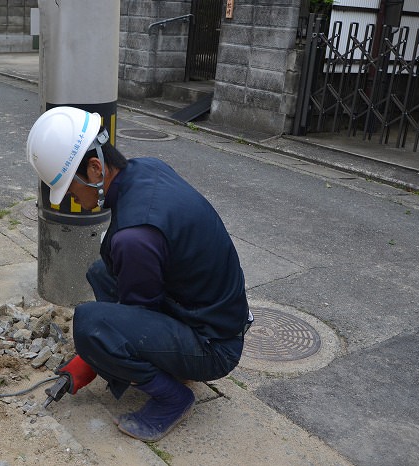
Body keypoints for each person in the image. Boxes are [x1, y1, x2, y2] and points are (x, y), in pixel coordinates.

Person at [26, 106, 252, 442]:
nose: (77, 202)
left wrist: (92, 357)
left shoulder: (136, 236)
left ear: (95, 167)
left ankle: (172, 398)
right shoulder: (147, 168)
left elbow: (136, 315)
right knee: (102, 271)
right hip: (209, 314)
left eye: (73, 192)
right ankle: (161, 365)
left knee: (90, 325)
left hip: (215, 345)